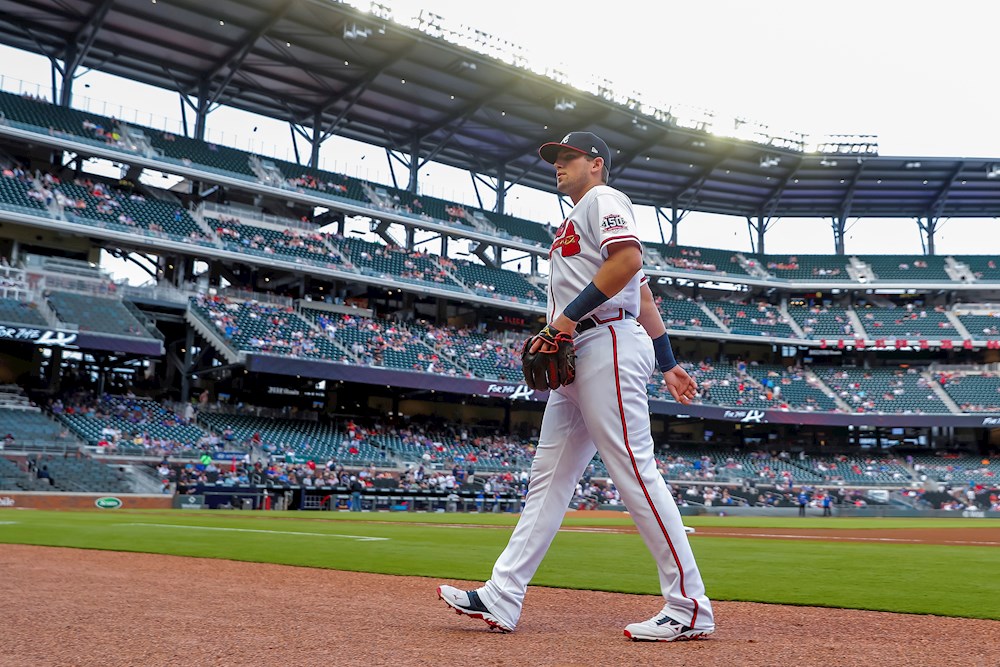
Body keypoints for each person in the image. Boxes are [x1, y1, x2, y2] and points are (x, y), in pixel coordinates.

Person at [437, 131, 714, 642]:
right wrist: (670, 363)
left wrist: (562, 322)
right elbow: (644, 292)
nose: (557, 165)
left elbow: (627, 264)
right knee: (549, 478)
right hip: (584, 350)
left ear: (596, 162)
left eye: (567, 157)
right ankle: (503, 593)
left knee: (634, 467)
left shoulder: (604, 199)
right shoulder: (576, 216)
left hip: (604, 339)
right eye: (554, 159)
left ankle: (690, 605)